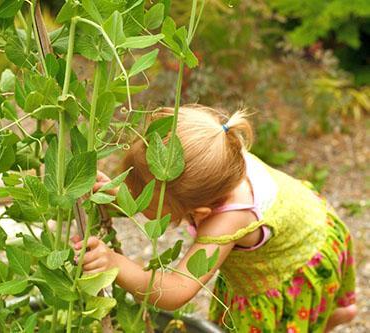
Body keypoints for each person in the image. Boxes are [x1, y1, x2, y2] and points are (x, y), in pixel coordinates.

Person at [71, 105, 357, 332]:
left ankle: (323, 316)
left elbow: (176, 291)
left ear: (201, 213)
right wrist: (117, 194)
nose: (130, 194)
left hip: (292, 263)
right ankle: (334, 312)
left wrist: (114, 263)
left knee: (286, 318)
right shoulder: (219, 153)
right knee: (324, 308)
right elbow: (164, 193)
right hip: (315, 222)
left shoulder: (228, 222)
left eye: (139, 194)